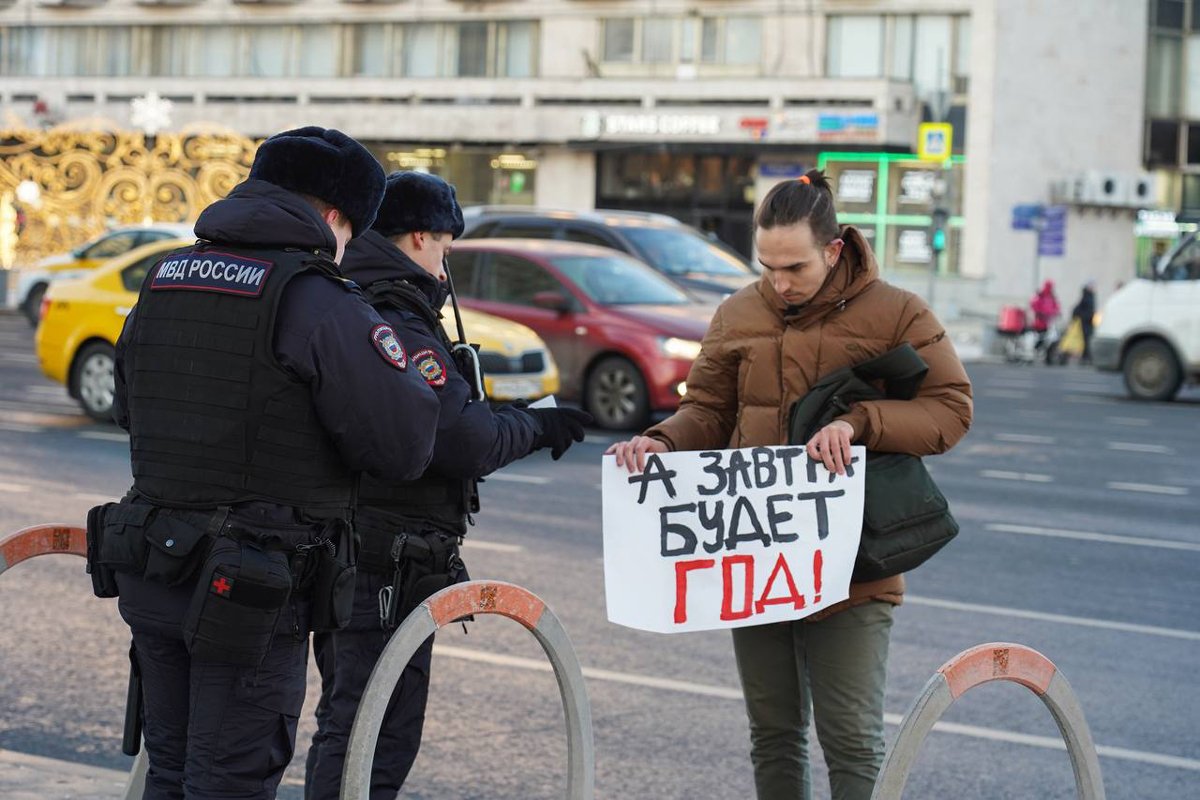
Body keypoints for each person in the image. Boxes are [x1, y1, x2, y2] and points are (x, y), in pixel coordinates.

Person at [99, 127, 444, 800]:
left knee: (169, 771)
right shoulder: (315, 299)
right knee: (229, 779)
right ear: (336, 215)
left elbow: (129, 405)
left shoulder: (165, 275)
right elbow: (402, 445)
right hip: (249, 589)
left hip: (152, 562)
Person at [607, 170, 972, 800]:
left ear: (833, 251)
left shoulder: (897, 311)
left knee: (852, 740)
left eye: (795, 267)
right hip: (758, 561)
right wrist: (662, 441)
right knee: (772, 733)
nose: (779, 283)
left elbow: (951, 409)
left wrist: (861, 423)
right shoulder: (738, 312)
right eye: (767, 267)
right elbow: (711, 412)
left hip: (855, 566)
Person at [304, 171, 592, 799]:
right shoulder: (394, 315)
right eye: (444, 246)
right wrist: (535, 426)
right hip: (384, 556)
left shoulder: (361, 296)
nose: (446, 263)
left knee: (360, 722)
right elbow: (463, 440)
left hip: (371, 551)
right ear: (418, 237)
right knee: (367, 730)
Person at [1070, 280, 1097, 364]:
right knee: (1086, 339)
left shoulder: (1091, 296)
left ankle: (1086, 357)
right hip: (1086, 321)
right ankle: (1086, 357)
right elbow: (1078, 308)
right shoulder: (1087, 296)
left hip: (1089, 321)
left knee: (1087, 339)